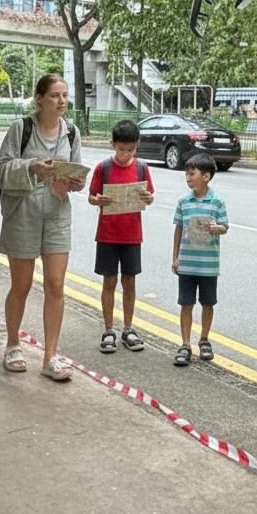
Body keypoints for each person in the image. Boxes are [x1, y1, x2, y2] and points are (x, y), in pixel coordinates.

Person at [0, 73, 85, 382]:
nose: (61, 101)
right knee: (21, 284)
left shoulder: (71, 131)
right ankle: (12, 344)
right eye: (55, 95)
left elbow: (78, 173)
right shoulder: (22, 128)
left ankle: (50, 355)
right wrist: (31, 166)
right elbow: (1, 170)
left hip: (58, 212)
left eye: (64, 95)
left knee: (56, 284)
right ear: (39, 99)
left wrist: (73, 180)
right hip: (23, 213)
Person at [87, 119, 155, 354]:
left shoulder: (141, 168)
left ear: (136, 146)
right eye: (121, 149)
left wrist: (147, 197)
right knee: (109, 281)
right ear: (112, 145)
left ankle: (127, 328)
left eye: (130, 150)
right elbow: (91, 196)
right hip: (107, 234)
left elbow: (150, 196)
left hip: (132, 235)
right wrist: (98, 200)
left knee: (129, 281)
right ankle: (108, 329)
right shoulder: (103, 167)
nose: (125, 154)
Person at [170, 152, 229, 367]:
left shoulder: (217, 202)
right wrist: (175, 257)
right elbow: (178, 229)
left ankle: (204, 339)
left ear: (206, 176)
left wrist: (217, 228)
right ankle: (185, 344)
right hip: (187, 263)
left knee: (207, 303)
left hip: (208, 265)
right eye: (186, 174)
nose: (187, 178)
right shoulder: (183, 202)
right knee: (186, 303)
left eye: (191, 173)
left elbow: (225, 227)